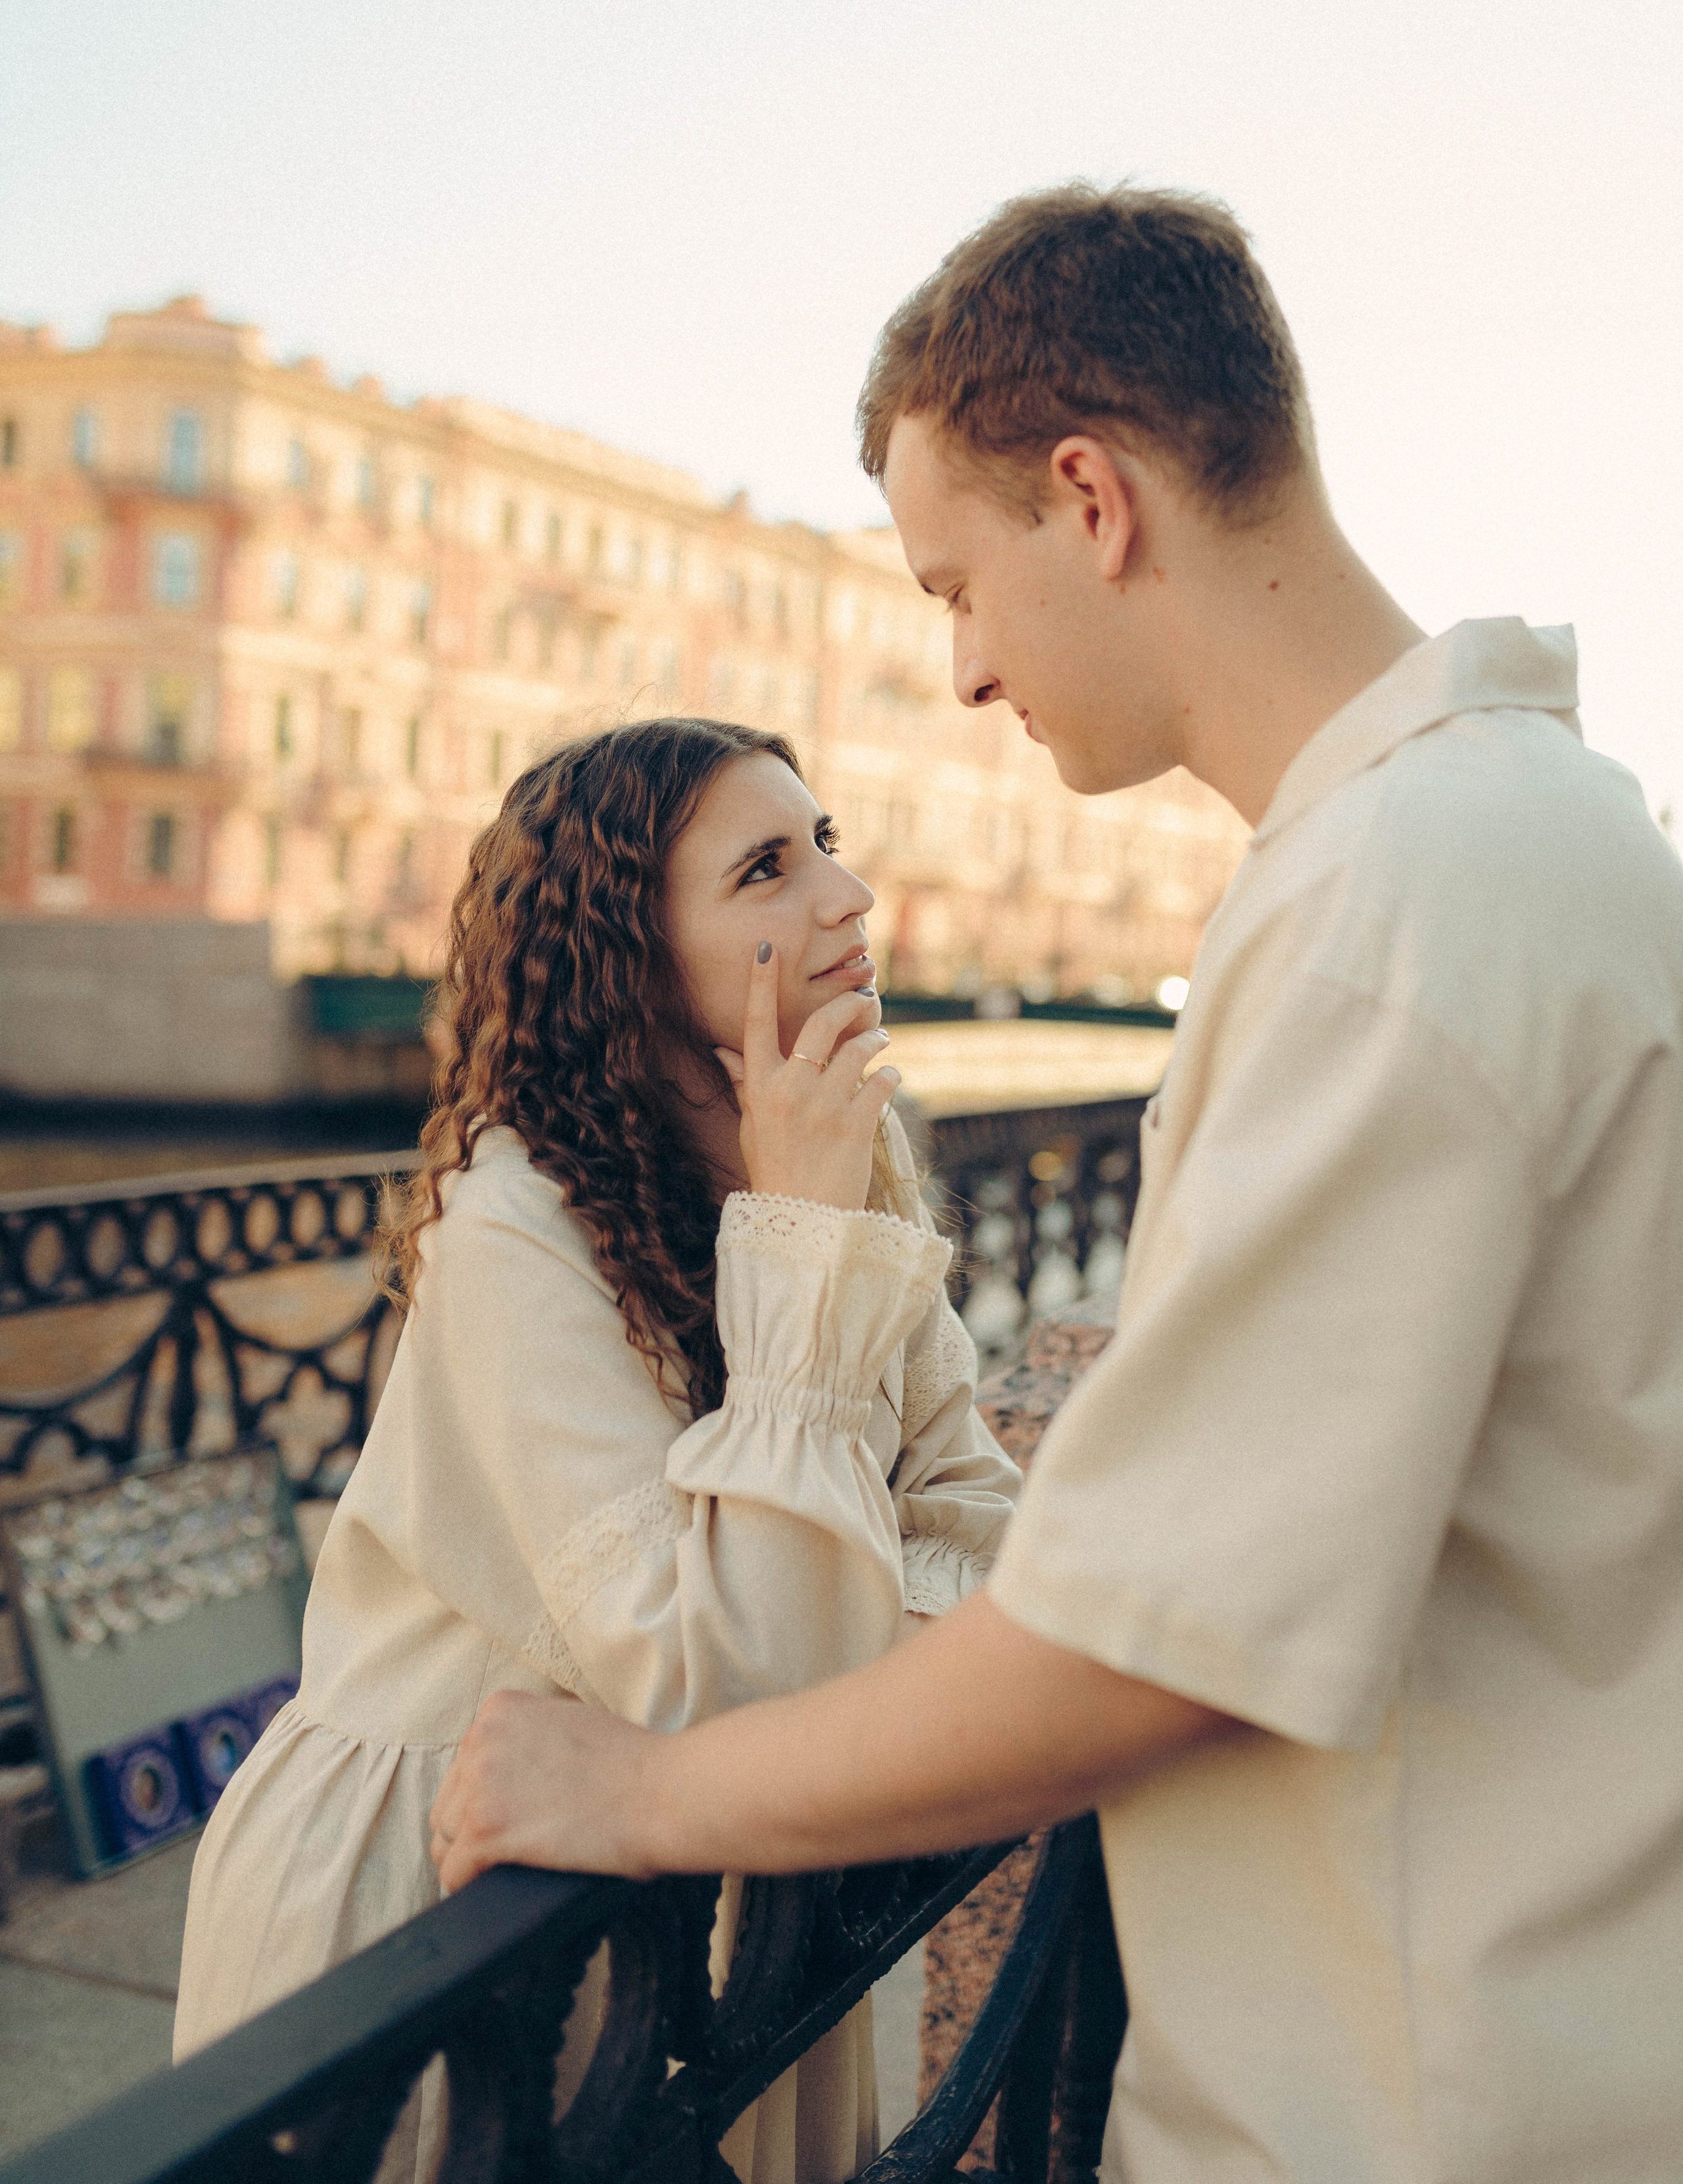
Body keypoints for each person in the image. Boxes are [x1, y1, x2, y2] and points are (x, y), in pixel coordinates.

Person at [430, 187, 1683, 2183]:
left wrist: (652, 1792)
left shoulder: (1391, 911)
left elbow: (1143, 1640)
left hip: (1409, 2097)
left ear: (1090, 502)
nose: (965, 674)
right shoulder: (1546, 831)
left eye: (955, 586)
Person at [173, 716, 1020, 2184]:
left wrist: (831, 1628)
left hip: (708, 1897)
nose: (846, 898)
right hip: (446, 1905)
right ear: (630, 953)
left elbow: (976, 1533)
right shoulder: (514, 1225)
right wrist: (804, 1242)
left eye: (825, 843)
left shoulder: (850, 1161)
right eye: (765, 867)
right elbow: (718, 1683)